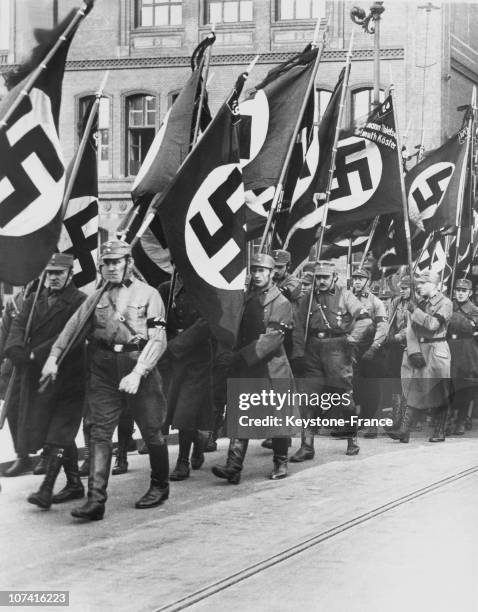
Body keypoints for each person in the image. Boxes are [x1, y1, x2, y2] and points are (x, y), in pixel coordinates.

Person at [41, 240, 169, 521]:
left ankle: (160, 485)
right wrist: (54, 357)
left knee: (151, 430)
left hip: (138, 365)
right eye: (106, 263)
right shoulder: (96, 297)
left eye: (117, 262)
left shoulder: (148, 295)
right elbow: (72, 327)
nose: (111, 267)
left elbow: (158, 339)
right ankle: (95, 500)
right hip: (103, 368)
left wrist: (138, 372)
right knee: (99, 432)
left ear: (128, 263)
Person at [4, 254, 87, 508]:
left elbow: (70, 337)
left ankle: (46, 488)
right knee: (57, 431)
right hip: (38, 378)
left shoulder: (81, 301)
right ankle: (74, 483)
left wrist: (34, 354)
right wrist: (17, 350)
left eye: (58, 273)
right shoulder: (32, 300)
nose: (52, 277)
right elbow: (16, 329)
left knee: (58, 432)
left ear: (70, 274)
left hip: (68, 376)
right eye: (49, 273)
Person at [212, 253, 294, 483]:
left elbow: (273, 339)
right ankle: (233, 466)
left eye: (262, 271)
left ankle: (280, 461)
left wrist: (239, 357)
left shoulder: (281, 302)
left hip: (269, 367)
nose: (257, 275)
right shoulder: (246, 298)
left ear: (271, 274)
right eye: (254, 270)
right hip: (246, 367)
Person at [290, 261, 373, 461]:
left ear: (334, 277)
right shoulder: (308, 299)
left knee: (344, 397)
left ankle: (352, 437)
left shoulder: (345, 295)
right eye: (318, 277)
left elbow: (366, 319)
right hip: (312, 350)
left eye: (325, 277)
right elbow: (298, 326)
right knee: (308, 399)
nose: (321, 281)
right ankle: (307, 446)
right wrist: (298, 353)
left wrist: (351, 339)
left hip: (336, 349)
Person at [161, 275, 213, 481]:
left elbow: (207, 323)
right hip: (171, 360)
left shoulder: (206, 289)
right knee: (169, 408)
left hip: (197, 357)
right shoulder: (165, 289)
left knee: (186, 409)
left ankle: (183, 461)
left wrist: (175, 345)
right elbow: (157, 321)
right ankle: (199, 442)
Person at [396, 270, 452, 443]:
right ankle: (404, 430)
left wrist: (415, 311)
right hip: (420, 348)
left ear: (434, 285)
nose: (418, 287)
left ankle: (439, 430)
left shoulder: (445, 303)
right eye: (417, 283)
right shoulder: (417, 303)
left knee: (439, 390)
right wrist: (413, 351)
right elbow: (410, 329)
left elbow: (433, 325)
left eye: (422, 283)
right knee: (415, 388)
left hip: (437, 349)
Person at [351, 268, 388, 439]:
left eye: (360, 279)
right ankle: (359, 418)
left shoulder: (376, 302)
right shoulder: (347, 298)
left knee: (371, 387)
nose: (357, 282)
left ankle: (372, 421)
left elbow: (382, 326)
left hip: (370, 349)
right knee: (355, 386)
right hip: (352, 348)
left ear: (368, 282)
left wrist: (374, 347)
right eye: (355, 279)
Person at [447, 278, 478, 435]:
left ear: (470, 293)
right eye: (458, 290)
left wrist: (449, 315)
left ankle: (460, 420)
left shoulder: (474, 310)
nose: (460, 293)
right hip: (449, 347)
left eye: (463, 291)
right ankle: (449, 418)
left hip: (466, 351)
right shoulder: (448, 304)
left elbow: (467, 327)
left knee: (465, 387)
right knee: (449, 385)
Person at [383, 275, 411, 433]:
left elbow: (412, 326)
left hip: (411, 347)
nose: (402, 291)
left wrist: (399, 335)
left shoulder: (417, 304)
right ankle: (395, 415)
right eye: (401, 288)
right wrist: (387, 336)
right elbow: (390, 321)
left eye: (406, 288)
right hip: (395, 347)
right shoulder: (396, 302)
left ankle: (406, 418)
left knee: (407, 383)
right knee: (394, 380)